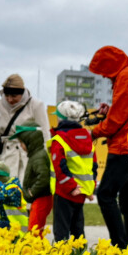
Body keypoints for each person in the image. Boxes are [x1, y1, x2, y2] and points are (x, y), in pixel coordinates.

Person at [88, 46, 128, 249]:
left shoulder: (127, 76)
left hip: (123, 146)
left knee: (105, 195)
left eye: (104, 71)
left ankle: (120, 246)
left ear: (110, 65)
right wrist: (109, 112)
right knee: (127, 202)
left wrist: (95, 131)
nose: (104, 76)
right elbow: (126, 110)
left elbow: (118, 119)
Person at [0, 74, 51, 180]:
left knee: (24, 192)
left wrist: (45, 161)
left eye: (14, 96)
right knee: (3, 192)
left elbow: (44, 133)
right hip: (5, 157)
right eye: (7, 96)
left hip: (27, 158)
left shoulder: (36, 105)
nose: (10, 99)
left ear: (22, 93)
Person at [49, 101, 97, 242]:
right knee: (78, 231)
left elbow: (59, 166)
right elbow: (93, 165)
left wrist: (71, 186)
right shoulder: (87, 137)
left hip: (64, 192)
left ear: (60, 118)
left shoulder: (59, 139)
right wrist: (89, 189)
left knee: (61, 232)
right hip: (82, 193)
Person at [7, 121, 53, 232]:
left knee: (34, 229)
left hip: (41, 198)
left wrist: (32, 192)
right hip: (40, 198)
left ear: (30, 141)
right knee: (37, 228)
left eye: (22, 143)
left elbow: (43, 177)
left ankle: (35, 248)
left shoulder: (38, 157)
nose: (21, 146)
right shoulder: (36, 155)